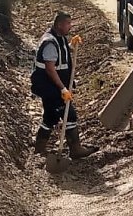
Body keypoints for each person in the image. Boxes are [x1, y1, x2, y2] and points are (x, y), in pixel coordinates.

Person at [31, 11, 97, 158]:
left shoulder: (58, 38)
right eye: (68, 23)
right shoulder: (50, 43)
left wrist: (71, 45)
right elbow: (50, 69)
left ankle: (39, 149)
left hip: (52, 87)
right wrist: (62, 89)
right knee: (70, 115)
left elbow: (60, 53)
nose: (70, 26)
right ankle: (75, 149)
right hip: (50, 87)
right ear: (59, 24)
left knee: (50, 117)